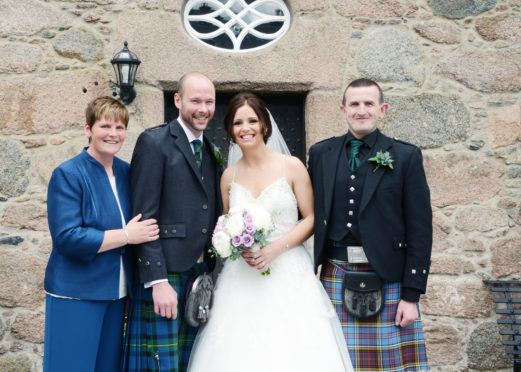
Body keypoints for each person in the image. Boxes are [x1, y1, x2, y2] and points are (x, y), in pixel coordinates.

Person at [187, 92, 354, 372]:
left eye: (252, 120)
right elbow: (226, 223)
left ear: (264, 125)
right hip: (242, 277)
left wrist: (276, 249)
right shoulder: (229, 176)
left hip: (288, 272)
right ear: (230, 129)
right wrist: (238, 247)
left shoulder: (291, 166)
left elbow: (311, 218)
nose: (245, 128)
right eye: (238, 123)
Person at [308, 78, 432, 371]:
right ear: (343, 110)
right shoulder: (320, 153)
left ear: (382, 109)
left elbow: (420, 229)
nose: (361, 110)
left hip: (388, 276)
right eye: (354, 104)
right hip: (335, 273)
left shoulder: (405, 156)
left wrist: (411, 295)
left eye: (368, 104)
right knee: (335, 362)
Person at [43, 96, 159, 371]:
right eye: (105, 126)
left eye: (119, 128)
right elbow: (67, 237)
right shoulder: (68, 174)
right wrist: (127, 235)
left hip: (117, 295)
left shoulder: (127, 172)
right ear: (88, 129)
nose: (113, 134)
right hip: (76, 292)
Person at [123, 72, 222, 372]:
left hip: (198, 276)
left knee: (186, 362)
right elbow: (143, 216)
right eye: (195, 101)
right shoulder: (154, 142)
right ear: (177, 100)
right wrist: (157, 281)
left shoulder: (210, 149)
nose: (203, 109)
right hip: (165, 276)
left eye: (209, 102)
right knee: (157, 365)